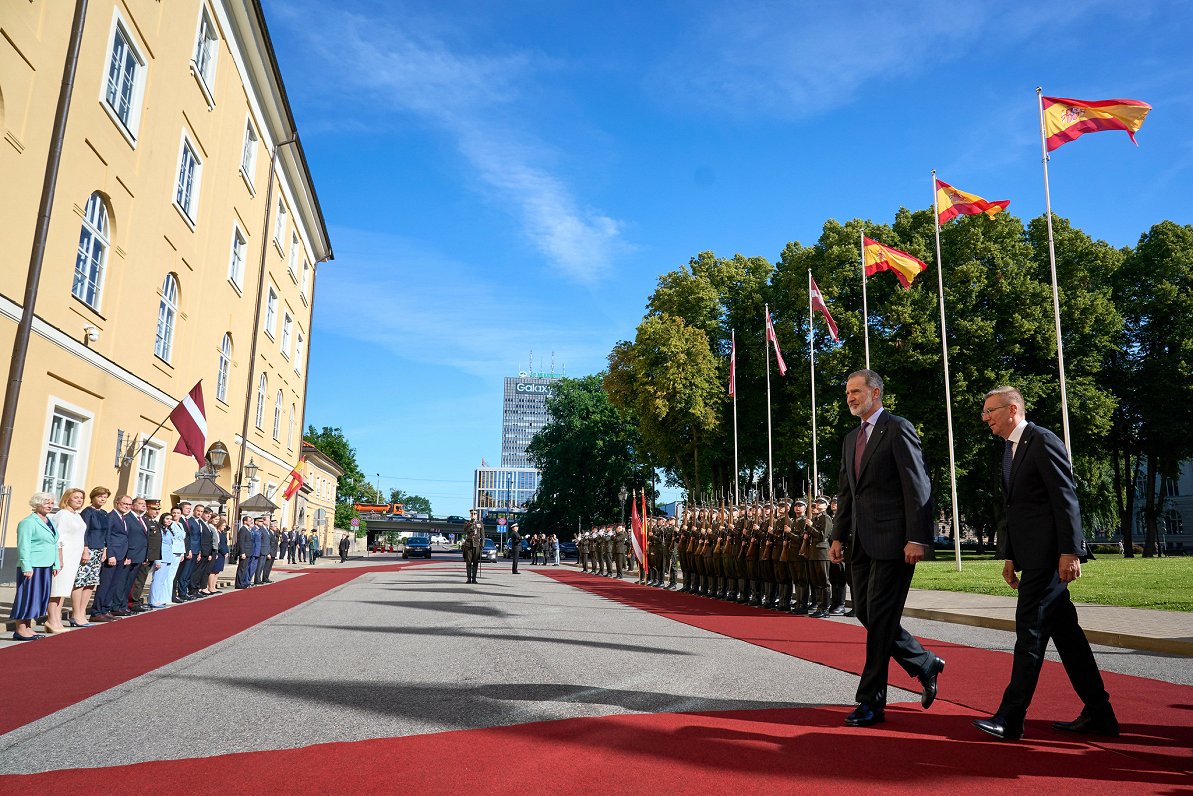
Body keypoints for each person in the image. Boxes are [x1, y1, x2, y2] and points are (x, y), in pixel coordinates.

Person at [972, 387, 1117, 741]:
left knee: (1030, 635)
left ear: (1013, 409)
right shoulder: (1010, 450)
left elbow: (1064, 497)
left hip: (1050, 559)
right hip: (1031, 556)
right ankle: (1101, 714)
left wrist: (1071, 552)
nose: (985, 417)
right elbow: (1018, 510)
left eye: (990, 411)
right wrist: (1010, 556)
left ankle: (1011, 718)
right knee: (1069, 639)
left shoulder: (1042, 440)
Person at [830, 369, 945, 728]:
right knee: (866, 612)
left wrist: (918, 537)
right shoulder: (851, 439)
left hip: (896, 542)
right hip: (859, 544)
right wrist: (837, 535)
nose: (850, 397)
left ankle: (870, 702)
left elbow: (918, 485)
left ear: (876, 392)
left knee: (879, 621)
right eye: (847, 392)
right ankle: (923, 662)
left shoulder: (898, 428)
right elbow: (848, 492)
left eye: (856, 391)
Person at [11, 492, 61, 640]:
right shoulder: (28, 522)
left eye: (51, 503)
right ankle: (20, 629)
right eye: (46, 503)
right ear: (37, 504)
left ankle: (28, 627)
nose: (50, 505)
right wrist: (26, 566)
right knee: (26, 597)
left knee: (37, 597)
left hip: (46, 565)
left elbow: (53, 543)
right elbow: (23, 546)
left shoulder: (49, 521)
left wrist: (56, 563)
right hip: (32, 566)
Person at [46, 488, 87, 632]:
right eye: (75, 497)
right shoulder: (62, 514)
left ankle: (57, 618)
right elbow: (58, 538)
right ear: (67, 498)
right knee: (56, 588)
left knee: (64, 589)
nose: (79, 500)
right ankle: (51, 619)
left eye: (81, 497)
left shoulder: (76, 515)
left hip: (74, 557)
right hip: (64, 556)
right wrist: (59, 557)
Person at [74, 487, 110, 624]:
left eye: (105, 497)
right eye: (100, 496)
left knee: (91, 582)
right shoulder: (87, 512)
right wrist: (85, 549)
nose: (102, 499)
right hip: (88, 550)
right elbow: (84, 531)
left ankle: (83, 612)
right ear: (93, 497)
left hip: (99, 550)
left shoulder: (104, 513)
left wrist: (105, 549)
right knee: (81, 581)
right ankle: (76, 613)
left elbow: (105, 533)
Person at [151, 507, 185, 607]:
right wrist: (157, 560)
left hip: (168, 557)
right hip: (161, 557)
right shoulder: (159, 530)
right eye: (167, 519)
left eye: (170, 519)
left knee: (163, 580)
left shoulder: (168, 530)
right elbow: (158, 545)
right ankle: (153, 600)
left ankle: (161, 598)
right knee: (157, 580)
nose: (169, 521)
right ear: (162, 519)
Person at [208, 516, 230, 592]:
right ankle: (210, 587)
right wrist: (224, 552)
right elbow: (219, 544)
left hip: (222, 554)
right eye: (223, 526)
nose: (224, 527)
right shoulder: (217, 533)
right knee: (213, 570)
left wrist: (227, 552)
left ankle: (214, 586)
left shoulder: (222, 533)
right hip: (219, 553)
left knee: (217, 571)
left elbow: (225, 543)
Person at [461, 510, 483, 583]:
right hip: (469, 544)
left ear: (477, 515)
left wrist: (482, 545)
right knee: (468, 562)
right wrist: (471, 522)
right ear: (470, 515)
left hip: (476, 544)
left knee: (475, 562)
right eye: (472, 514)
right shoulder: (467, 522)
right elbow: (465, 530)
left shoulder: (480, 523)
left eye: (475, 514)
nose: (473, 515)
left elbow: (482, 534)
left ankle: (474, 579)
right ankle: (469, 578)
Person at [234, 516, 255, 589]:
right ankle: (239, 583)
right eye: (249, 521)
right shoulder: (243, 530)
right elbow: (241, 542)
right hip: (244, 552)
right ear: (245, 522)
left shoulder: (248, 529)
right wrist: (242, 552)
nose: (251, 522)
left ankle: (242, 582)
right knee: (242, 568)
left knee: (245, 568)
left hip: (248, 552)